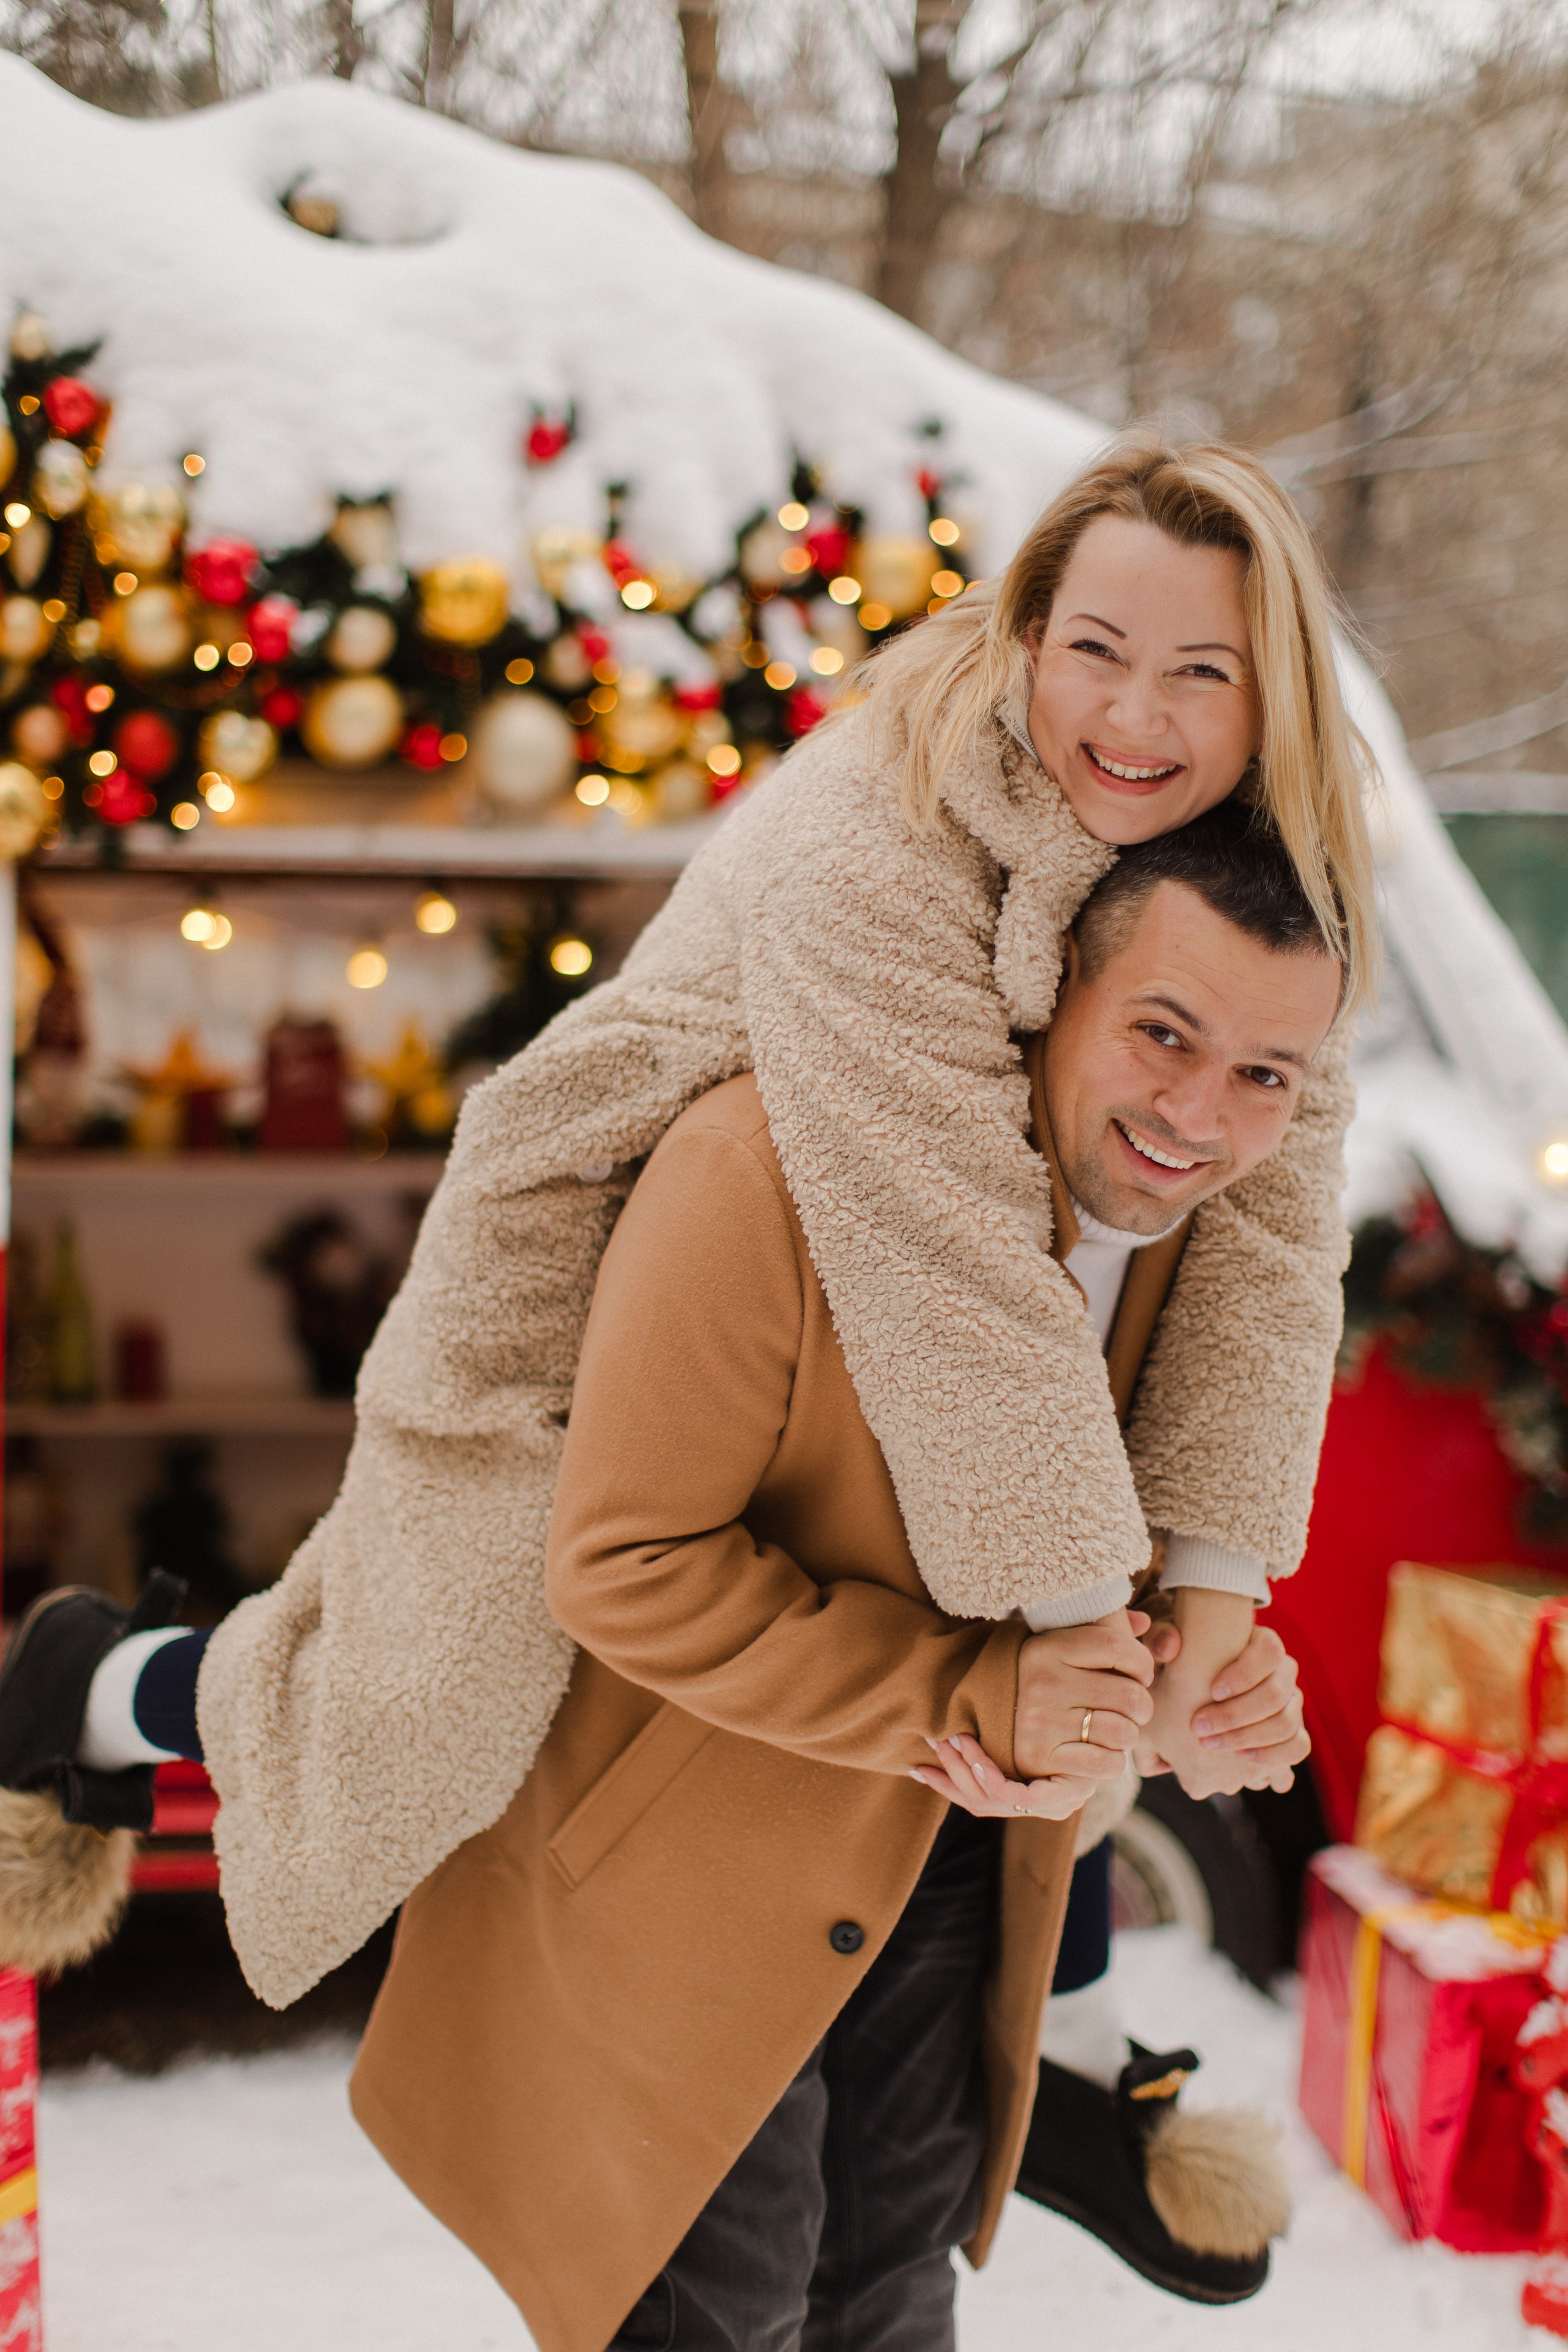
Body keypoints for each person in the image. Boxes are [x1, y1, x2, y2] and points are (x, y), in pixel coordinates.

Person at [0, 432, 1373, 2034]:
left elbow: (1277, 1249)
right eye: (1096, 653)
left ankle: (1050, 2031)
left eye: (1200, 672)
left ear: (1270, 687)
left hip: (885, 1269)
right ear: (1024, 643)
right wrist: (1097, 1650)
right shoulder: (886, 826)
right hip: (615, 1238)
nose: (1136, 720)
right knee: (435, 1692)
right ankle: (95, 1686)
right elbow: (950, 1263)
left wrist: (1204, 1611)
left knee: (947, 1653)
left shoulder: (1279, 874)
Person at [345, 809, 1332, 2350]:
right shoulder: (759, 1164)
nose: (1197, 1112)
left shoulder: (1188, 1254)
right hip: (700, 1865)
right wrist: (964, 1690)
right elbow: (618, 1562)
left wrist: (1190, 1696)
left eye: (1262, 1077)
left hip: (950, 1859)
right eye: (1160, 1031)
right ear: (1053, 979)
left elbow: (1067, 1575)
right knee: (721, 2305)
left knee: (886, 2285)